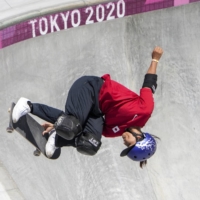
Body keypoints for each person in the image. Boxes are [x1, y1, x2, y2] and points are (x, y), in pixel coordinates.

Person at [12, 46, 163, 168]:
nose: (124, 143)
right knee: (70, 126)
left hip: (95, 112)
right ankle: (28, 105)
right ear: (140, 137)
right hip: (90, 89)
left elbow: (84, 129)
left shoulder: (112, 131)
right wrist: (155, 58)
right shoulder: (144, 111)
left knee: (90, 144)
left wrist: (57, 123)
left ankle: (57, 139)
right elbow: (149, 84)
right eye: (129, 144)